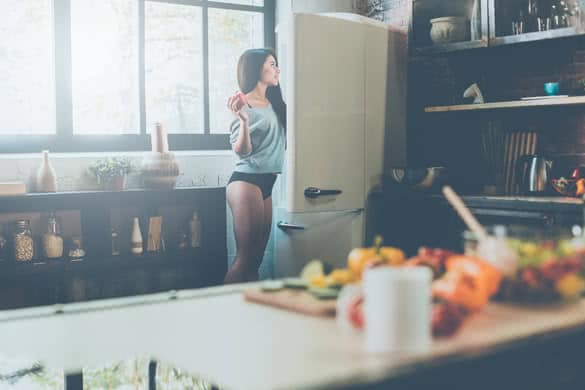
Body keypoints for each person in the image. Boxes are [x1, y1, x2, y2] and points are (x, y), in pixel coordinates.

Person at [224, 48, 286, 284]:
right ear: (255, 69)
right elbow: (241, 150)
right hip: (246, 181)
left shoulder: (275, 103)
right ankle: (223, 310)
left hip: (267, 182)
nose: (276, 69)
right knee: (246, 257)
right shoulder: (241, 103)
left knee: (256, 259)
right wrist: (243, 119)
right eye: (271, 64)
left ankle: (246, 310)